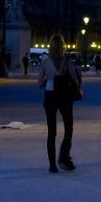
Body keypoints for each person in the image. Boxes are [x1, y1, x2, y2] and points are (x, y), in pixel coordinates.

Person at [38, 35, 81, 172]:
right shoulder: (66, 61)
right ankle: (64, 156)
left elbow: (39, 83)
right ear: (62, 46)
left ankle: (52, 165)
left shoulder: (45, 61)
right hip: (64, 97)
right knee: (68, 127)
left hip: (50, 96)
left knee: (52, 132)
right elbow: (74, 80)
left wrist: (48, 78)